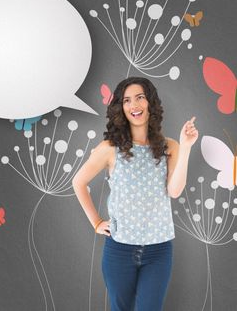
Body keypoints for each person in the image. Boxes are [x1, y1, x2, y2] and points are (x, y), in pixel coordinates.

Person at [72, 77, 198, 311]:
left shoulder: (170, 146)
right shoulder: (110, 148)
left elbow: (175, 190)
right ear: (122, 108)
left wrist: (187, 146)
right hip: (120, 250)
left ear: (150, 102)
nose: (134, 105)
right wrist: (97, 222)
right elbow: (78, 182)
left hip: (159, 250)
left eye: (140, 97)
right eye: (127, 100)